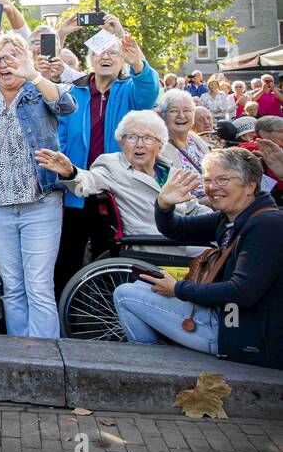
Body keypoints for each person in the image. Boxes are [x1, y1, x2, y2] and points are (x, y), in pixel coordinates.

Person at [113, 149, 283, 368]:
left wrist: (178, 289)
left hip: (245, 337)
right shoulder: (234, 216)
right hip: (226, 320)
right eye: (207, 180)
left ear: (251, 185)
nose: (212, 188)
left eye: (223, 179)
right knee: (140, 287)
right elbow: (177, 229)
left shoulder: (267, 225)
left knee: (125, 295)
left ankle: (150, 367)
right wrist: (164, 205)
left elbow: (242, 292)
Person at [0, 34, 76, 338]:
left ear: (24, 60)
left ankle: (46, 359)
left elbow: (67, 104)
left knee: (38, 286)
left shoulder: (37, 91)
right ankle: (21, 357)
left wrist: (33, 73)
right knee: (13, 285)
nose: (4, 64)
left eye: (12, 57)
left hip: (40, 203)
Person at [53, 16, 156, 290]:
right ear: (90, 59)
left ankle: (111, 315)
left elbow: (149, 89)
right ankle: (67, 318)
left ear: (122, 60)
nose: (106, 57)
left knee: (111, 256)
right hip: (76, 187)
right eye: (100, 52)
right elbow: (59, 134)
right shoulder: (74, 93)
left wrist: (125, 40)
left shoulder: (128, 92)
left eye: (113, 52)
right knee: (68, 257)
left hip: (115, 190)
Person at [34, 109, 210, 255]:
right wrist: (71, 172)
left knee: (228, 244)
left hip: (181, 238)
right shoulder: (111, 165)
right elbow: (89, 181)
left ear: (160, 144)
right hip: (153, 244)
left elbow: (193, 208)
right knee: (219, 256)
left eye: (148, 138)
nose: (139, 144)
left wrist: (223, 221)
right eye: (132, 137)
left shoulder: (169, 170)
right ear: (121, 142)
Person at [158, 89, 212, 199]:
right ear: (162, 116)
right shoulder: (158, 148)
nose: (181, 116)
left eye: (187, 110)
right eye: (173, 111)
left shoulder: (197, 139)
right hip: (190, 209)